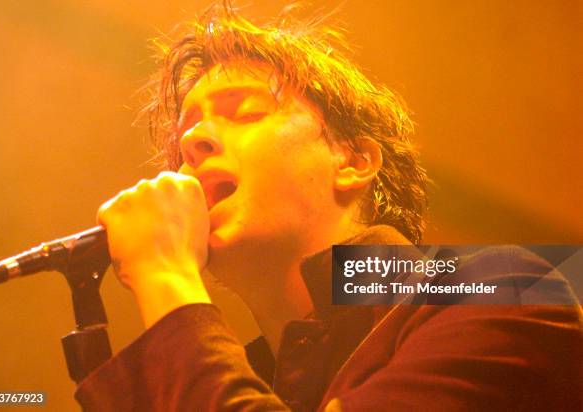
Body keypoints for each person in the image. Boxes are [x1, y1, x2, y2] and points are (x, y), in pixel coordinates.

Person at [75, 3, 581, 411]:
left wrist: (165, 276)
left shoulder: (508, 290)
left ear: (354, 161)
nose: (196, 141)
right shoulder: (239, 378)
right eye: (185, 136)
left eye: (245, 112)